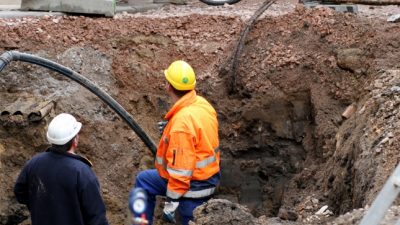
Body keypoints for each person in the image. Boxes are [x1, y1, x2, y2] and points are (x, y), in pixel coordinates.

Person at [133, 60, 220, 225]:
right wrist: (170, 128)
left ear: (168, 86)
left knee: (190, 219)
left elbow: (181, 174)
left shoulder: (181, 124)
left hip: (193, 188)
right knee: (144, 180)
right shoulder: (202, 105)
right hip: (209, 177)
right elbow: (198, 134)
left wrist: (170, 205)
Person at [14, 113, 109, 225]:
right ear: (75, 141)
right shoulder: (82, 172)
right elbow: (96, 217)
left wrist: (40, 207)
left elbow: (20, 192)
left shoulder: (34, 163)